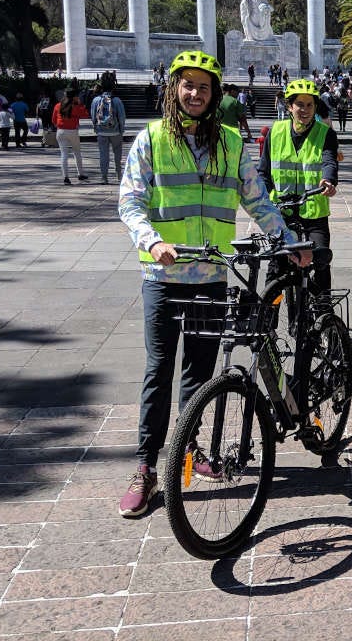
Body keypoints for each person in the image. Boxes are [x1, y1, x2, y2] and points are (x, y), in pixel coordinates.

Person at [116, 50, 310, 518]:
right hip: (163, 276)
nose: (195, 94)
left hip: (210, 279)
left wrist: (288, 241)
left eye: (204, 87)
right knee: (158, 371)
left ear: (214, 94)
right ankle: (145, 469)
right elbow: (130, 201)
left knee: (198, 375)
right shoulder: (152, 139)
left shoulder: (230, 143)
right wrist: (153, 239)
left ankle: (189, 449)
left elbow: (257, 202)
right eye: (188, 85)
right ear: (174, 88)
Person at [258, 79, 339, 296]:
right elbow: (263, 171)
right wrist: (263, 199)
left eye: (309, 105)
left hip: (314, 212)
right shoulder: (275, 132)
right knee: (277, 269)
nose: (304, 110)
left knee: (320, 262)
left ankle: (324, 315)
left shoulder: (325, 133)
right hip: (281, 212)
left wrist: (328, 180)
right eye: (299, 105)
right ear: (289, 106)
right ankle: (268, 325)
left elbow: (329, 160)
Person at [90, 74, 127, 184]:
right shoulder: (117, 101)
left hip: (102, 131)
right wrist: (121, 129)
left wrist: (96, 127)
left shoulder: (96, 100)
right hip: (115, 131)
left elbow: (93, 116)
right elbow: (121, 117)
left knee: (103, 154)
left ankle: (104, 176)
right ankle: (119, 175)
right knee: (117, 154)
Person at [52, 89, 89, 184]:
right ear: (74, 97)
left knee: (64, 154)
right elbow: (85, 114)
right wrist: (80, 104)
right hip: (72, 131)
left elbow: (54, 120)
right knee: (77, 152)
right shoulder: (75, 107)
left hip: (60, 131)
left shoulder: (58, 106)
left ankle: (66, 177)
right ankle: (80, 173)